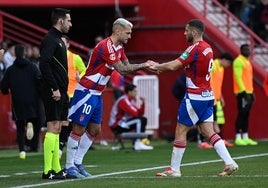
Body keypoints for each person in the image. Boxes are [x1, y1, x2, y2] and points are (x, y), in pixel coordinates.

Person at [148, 19, 238, 177]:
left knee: (180, 129)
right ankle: (230, 162)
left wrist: (156, 66)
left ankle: (175, 169)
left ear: (194, 32)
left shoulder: (194, 48)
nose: (184, 33)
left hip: (195, 96)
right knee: (208, 131)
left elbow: (174, 65)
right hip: (208, 96)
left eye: (186, 30)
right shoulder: (208, 48)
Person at [65, 18, 152, 178]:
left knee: (95, 129)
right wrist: (144, 65)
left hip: (97, 93)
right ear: (117, 31)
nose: (130, 36)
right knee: (79, 128)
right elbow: (123, 70)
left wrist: (144, 65)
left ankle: (77, 163)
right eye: (128, 33)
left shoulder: (119, 47)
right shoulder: (106, 47)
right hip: (86, 91)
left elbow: (126, 65)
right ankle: (69, 166)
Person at [39, 8, 72, 180]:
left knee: (58, 127)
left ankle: (56, 168)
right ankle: (47, 170)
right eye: (69, 20)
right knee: (52, 127)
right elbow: (43, 64)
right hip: (54, 91)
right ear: (60, 21)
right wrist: (54, 88)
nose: (70, 24)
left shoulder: (58, 40)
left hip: (61, 91)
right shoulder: (50, 39)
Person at [0, 44, 42, 159]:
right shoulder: (33, 67)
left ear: (15, 55)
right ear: (24, 54)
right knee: (35, 122)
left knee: (19, 127)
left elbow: (3, 88)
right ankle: (33, 145)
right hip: (32, 101)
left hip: (17, 102)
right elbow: (40, 83)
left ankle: (22, 150)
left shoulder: (10, 70)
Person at [198, 53, 234, 149]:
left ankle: (218, 140)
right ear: (224, 60)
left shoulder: (221, 68)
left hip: (215, 99)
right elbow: (207, 80)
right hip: (208, 97)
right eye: (229, 63)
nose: (228, 66)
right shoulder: (213, 65)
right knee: (207, 120)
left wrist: (221, 97)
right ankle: (202, 141)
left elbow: (217, 84)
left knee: (214, 121)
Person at [59, 35, 86, 159]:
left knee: (69, 122)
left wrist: (80, 77)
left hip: (72, 95)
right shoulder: (55, 57)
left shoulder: (75, 58)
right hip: (59, 94)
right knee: (59, 121)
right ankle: (60, 146)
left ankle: (62, 146)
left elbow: (84, 70)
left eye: (63, 43)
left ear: (68, 45)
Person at [108, 84, 153, 150]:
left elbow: (140, 113)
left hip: (123, 123)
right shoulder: (124, 100)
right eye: (135, 91)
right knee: (140, 120)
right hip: (117, 125)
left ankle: (139, 143)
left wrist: (143, 103)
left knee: (142, 119)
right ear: (129, 92)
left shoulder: (130, 100)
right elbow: (135, 114)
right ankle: (138, 143)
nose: (136, 93)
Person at [233, 44, 258, 146]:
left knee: (246, 114)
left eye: (249, 49)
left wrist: (251, 92)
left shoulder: (247, 61)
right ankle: (238, 137)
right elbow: (238, 77)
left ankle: (245, 136)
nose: (248, 51)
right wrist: (243, 92)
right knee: (241, 114)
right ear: (241, 50)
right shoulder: (238, 61)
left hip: (248, 92)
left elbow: (248, 79)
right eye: (245, 49)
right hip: (242, 93)